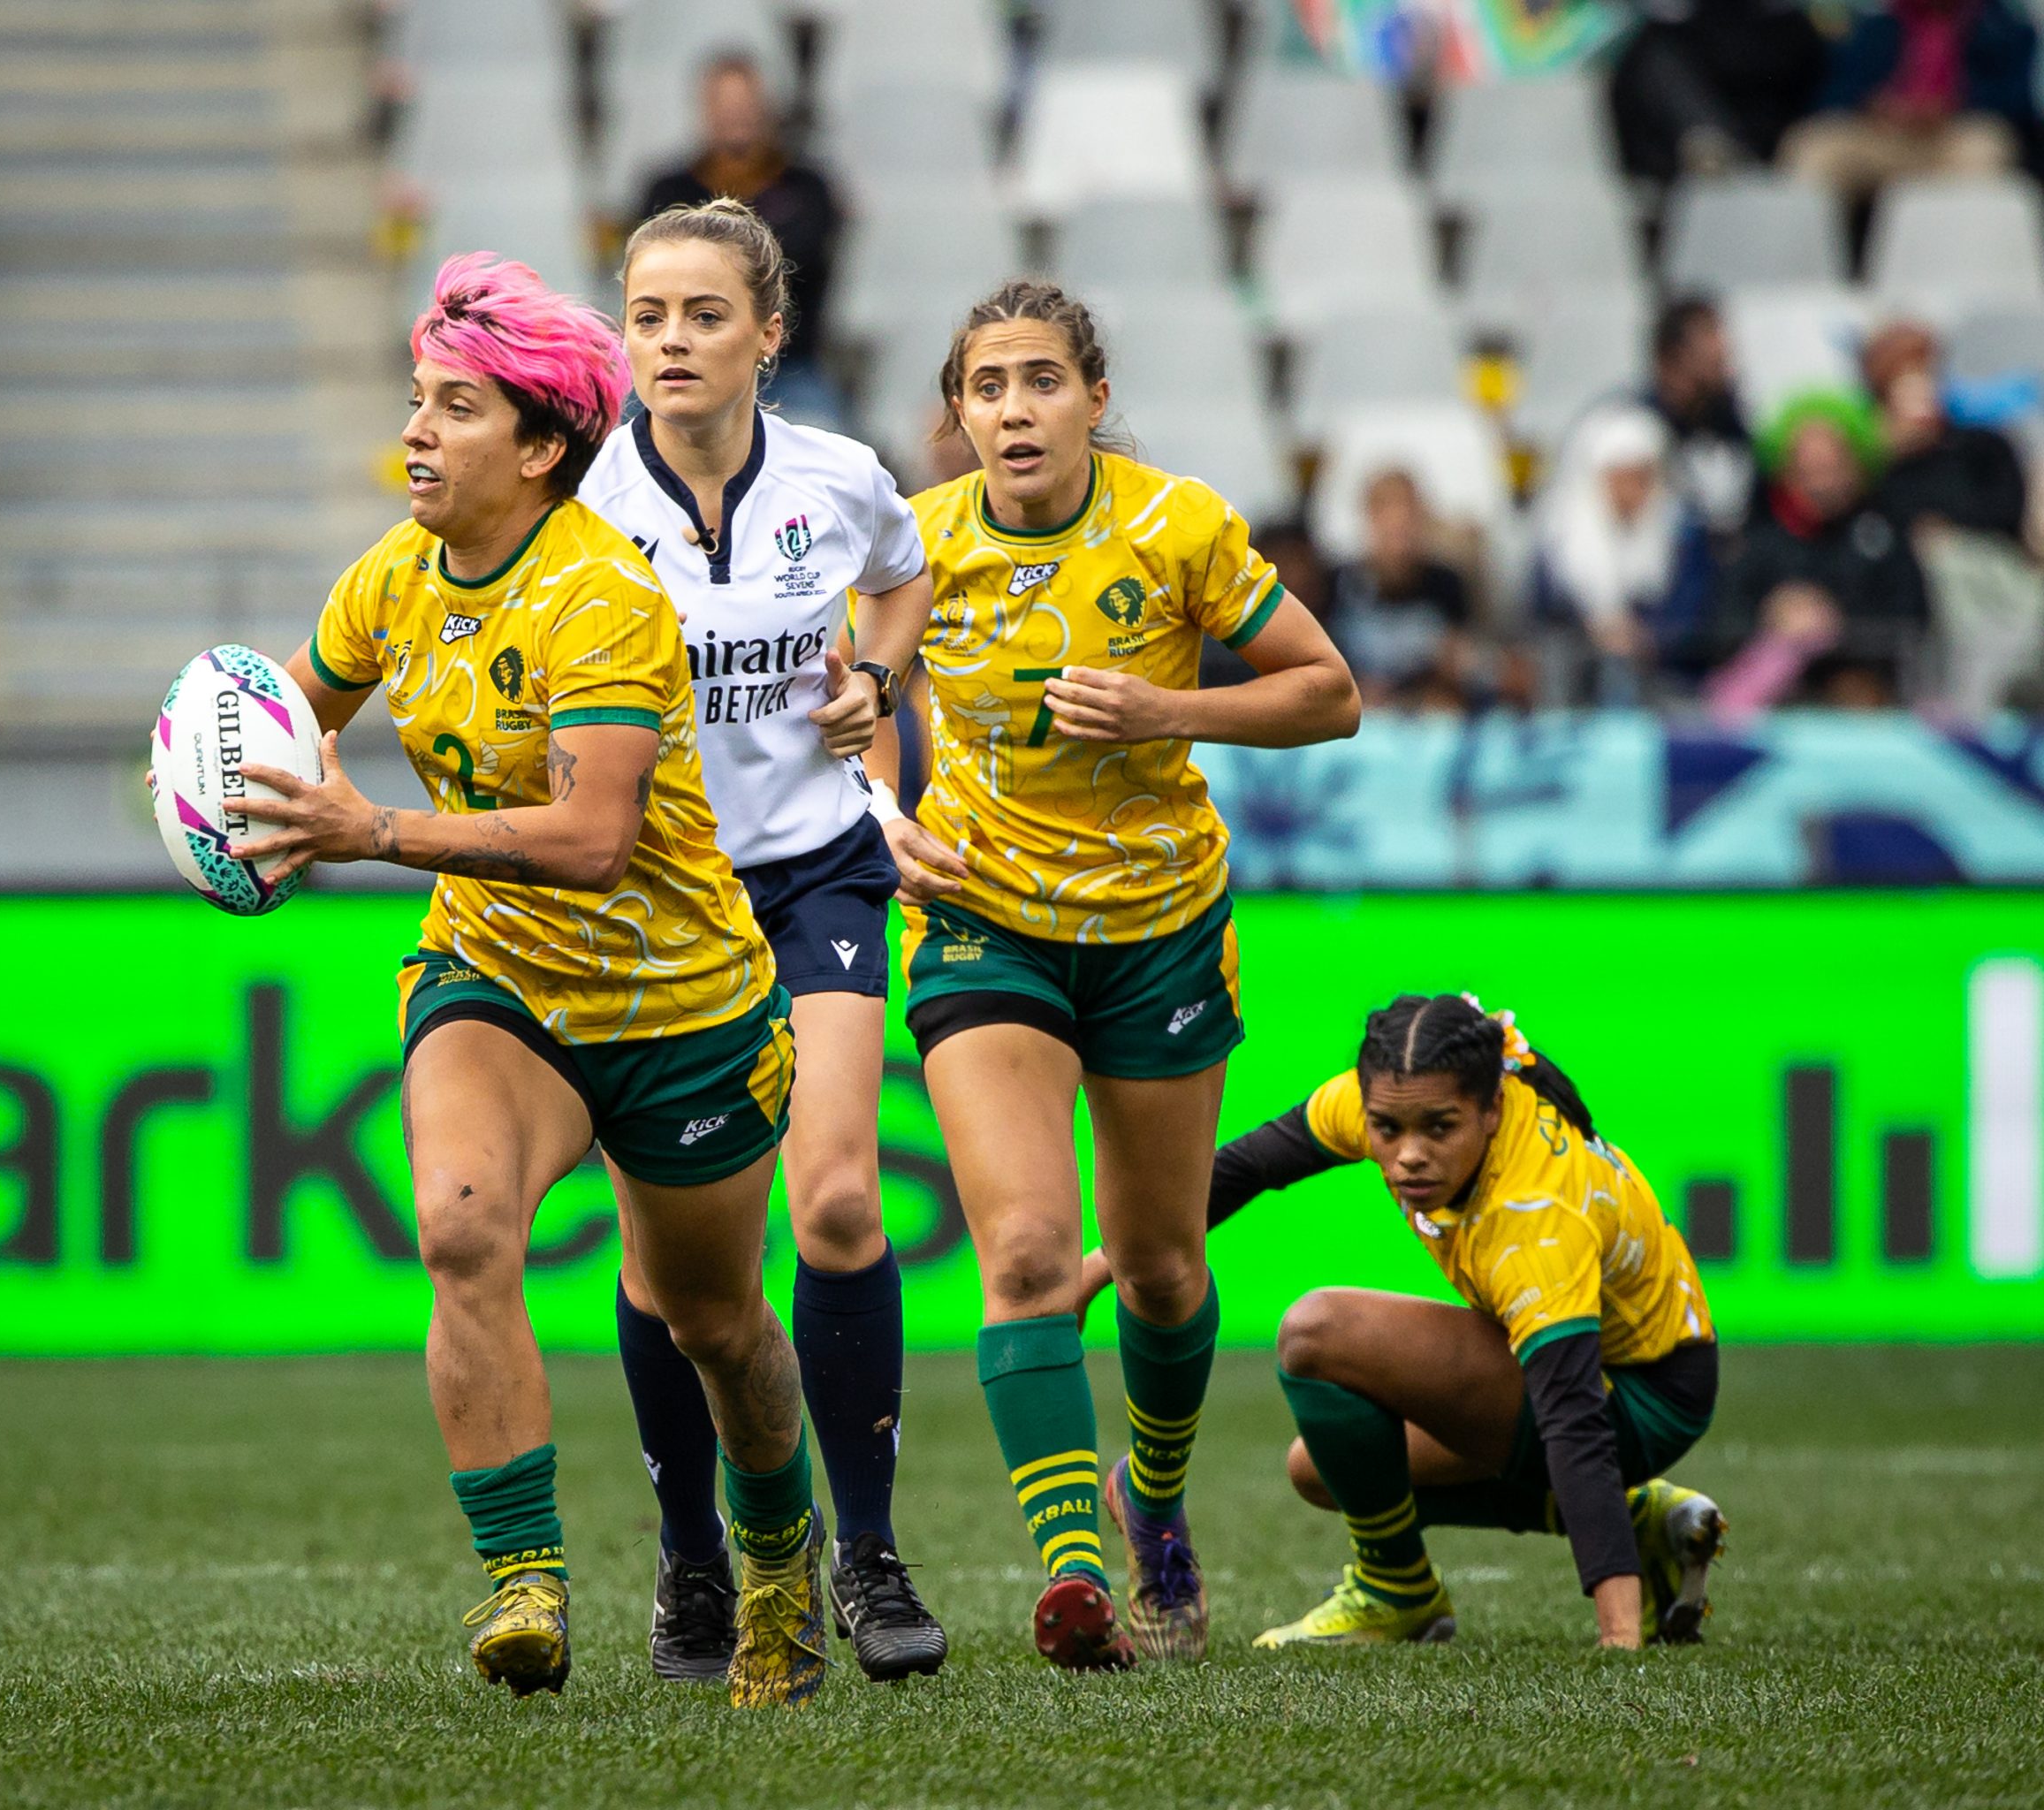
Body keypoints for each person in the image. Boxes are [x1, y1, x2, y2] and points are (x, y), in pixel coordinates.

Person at [228, 254, 828, 1710]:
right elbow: (276, 726)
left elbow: (592, 836)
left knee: (716, 1322)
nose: (417, 434)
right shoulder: (389, 578)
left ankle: (776, 1567)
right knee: (460, 1228)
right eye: (416, 402)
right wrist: (212, 780)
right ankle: (527, 1582)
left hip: (682, 1005)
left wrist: (371, 827)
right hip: (495, 979)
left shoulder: (601, 597)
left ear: (544, 445)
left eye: (456, 408)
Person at [870, 279, 1360, 1670]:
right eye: (986, 388)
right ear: (957, 413)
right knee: (1026, 1253)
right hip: (984, 927)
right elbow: (850, 701)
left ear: (1093, 396)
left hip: (1160, 931)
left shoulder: (1177, 524)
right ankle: (1079, 1581)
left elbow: (1330, 692)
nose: (1013, 410)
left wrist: (1171, 707)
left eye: (1039, 381)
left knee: (1154, 1270)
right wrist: (882, 819)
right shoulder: (913, 544)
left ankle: (1155, 1511)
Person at [578, 198, 946, 1685]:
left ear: (768, 334)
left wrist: (880, 680)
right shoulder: (583, 506)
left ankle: (865, 1552)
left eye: (704, 314)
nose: (671, 339)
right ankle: (691, 1564)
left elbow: (903, 577)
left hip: (816, 877)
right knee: (669, 1270)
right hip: (654, 904)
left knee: (841, 1204)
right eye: (648, 314)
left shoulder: (842, 477)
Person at [1084, 993, 1723, 1649]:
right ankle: (1418, 1588)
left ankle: (1403, 1584)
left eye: (1439, 1130)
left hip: (1645, 1396)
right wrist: (1092, 1273)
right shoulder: (1393, 1101)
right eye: (1387, 1130)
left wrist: (1619, 1637)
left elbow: (1574, 1419)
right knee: (1320, 1468)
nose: (1409, 1155)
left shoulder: (1535, 1213)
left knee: (1317, 1330)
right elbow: (1245, 1169)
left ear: (1492, 1110)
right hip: (1601, 1380)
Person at [634, 54, 843, 425]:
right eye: (724, 104)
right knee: (616, 437)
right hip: (682, 363)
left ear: (766, 109)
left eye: (744, 104)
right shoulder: (667, 188)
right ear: (704, 110)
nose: (736, 115)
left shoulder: (808, 187)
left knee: (826, 432)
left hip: (789, 369)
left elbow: (802, 267)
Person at [1863, 319, 2044, 715]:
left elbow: (2005, 508)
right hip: (1918, 587)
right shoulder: (1876, 464)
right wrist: (1884, 457)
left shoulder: (1983, 442)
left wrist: (1950, 530)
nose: (1918, 387)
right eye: (1901, 377)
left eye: (1923, 371)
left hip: (1995, 573)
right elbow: (1869, 528)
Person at [1709, 388, 1931, 711]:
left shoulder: (1883, 538)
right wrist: (1773, 616)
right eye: (1808, 472)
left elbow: (1911, 621)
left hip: (1862, 701)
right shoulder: (1759, 544)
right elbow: (1721, 628)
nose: (1821, 485)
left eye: (1831, 469)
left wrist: (1836, 625)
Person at [1531, 406, 1714, 703]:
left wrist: (1646, 637)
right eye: (1621, 478)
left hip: (1660, 671)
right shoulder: (1559, 539)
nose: (1632, 490)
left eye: (1642, 478)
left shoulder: (1681, 536)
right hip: (1578, 665)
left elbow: (1694, 612)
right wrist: (1595, 630)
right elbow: (1542, 613)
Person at [1781, 0, 2038, 199]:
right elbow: (1832, 93)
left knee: (1984, 150)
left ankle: (1970, 261)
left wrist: (1955, 104)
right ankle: (1797, 260)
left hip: (1952, 136)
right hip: (1881, 134)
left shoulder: (2003, 27)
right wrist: (1873, 103)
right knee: (1814, 147)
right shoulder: (1878, 27)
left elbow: (2016, 102)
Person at [1609, 0, 1827, 183]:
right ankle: (1715, 146)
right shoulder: (1665, 27)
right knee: (1656, 60)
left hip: (1771, 142)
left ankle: (1722, 152)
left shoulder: (1789, 22)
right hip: (1683, 146)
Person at [1320, 468, 1477, 710]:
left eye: (1408, 519)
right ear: (1370, 519)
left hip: (1423, 704)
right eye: (1389, 522)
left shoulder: (1445, 583)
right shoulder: (1339, 582)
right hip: (1355, 702)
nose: (1399, 529)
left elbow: (1455, 661)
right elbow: (1321, 655)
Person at [1642, 297, 1755, 544]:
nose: (1723, 349)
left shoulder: (1733, 424)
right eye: (1713, 359)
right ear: (1670, 358)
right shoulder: (1634, 429)